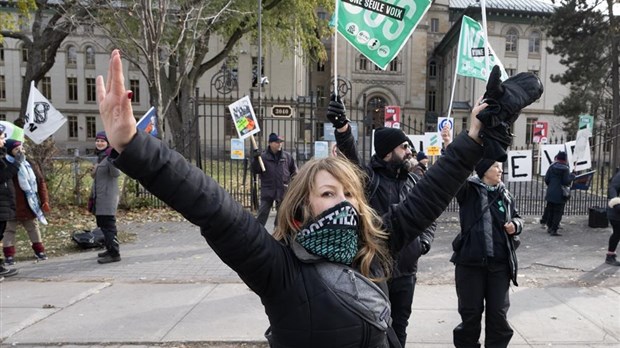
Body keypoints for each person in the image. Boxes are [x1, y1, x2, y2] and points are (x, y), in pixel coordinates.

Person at [96, 49, 498, 348]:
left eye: (348, 194)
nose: (344, 202)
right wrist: (134, 146)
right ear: (302, 210)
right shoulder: (277, 268)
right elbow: (212, 207)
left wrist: (475, 135)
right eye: (328, 193)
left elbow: (428, 196)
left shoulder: (374, 248)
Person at [328, 102, 435, 346]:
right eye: (404, 146)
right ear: (387, 153)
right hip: (375, 272)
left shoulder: (413, 181)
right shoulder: (370, 179)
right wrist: (343, 130)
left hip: (407, 271)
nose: (410, 151)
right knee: (376, 329)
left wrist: (424, 243)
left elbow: (429, 215)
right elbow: (351, 161)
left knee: (400, 327)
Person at [450, 159, 523, 348]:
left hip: (499, 265)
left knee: (498, 314)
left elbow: (517, 216)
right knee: (470, 314)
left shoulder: (505, 194)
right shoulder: (468, 190)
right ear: (484, 171)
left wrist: (515, 225)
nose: (500, 170)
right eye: (496, 167)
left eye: (500, 166)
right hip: (470, 264)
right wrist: (450, 145)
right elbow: (456, 171)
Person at [2, 139, 50, 265]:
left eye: (21, 149)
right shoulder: (5, 164)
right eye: (16, 149)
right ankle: (9, 255)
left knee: (33, 227)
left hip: (29, 203)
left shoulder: (30, 164)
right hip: (11, 204)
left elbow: (40, 182)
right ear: (9, 151)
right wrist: (16, 164)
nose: (20, 152)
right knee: (9, 230)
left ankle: (40, 251)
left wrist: (44, 200)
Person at [251, 132, 297, 226]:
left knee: (281, 216)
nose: (279, 144)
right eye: (277, 142)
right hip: (268, 190)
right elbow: (255, 170)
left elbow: (295, 172)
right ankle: (258, 232)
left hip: (283, 190)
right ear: (270, 143)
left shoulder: (287, 157)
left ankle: (278, 234)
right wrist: (255, 159)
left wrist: (292, 184)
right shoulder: (263, 157)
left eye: (280, 142)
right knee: (262, 214)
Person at [90, 131, 121, 264]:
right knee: (102, 224)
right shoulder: (100, 157)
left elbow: (115, 174)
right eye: (97, 141)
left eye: (102, 141)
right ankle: (109, 248)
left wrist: (112, 159)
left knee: (109, 225)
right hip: (99, 196)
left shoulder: (109, 156)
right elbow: (98, 177)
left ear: (108, 143)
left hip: (108, 197)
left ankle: (114, 253)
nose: (99, 143)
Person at [0, 130, 20, 278]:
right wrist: (16, 164)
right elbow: (3, 176)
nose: (3, 141)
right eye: (1, 138)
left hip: (4, 202)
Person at [544, 151, 575, 236]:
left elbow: (546, 179)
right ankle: (554, 229)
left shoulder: (551, 167)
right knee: (558, 212)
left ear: (557, 158)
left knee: (550, 210)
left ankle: (549, 227)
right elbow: (566, 182)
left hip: (550, 192)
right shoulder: (565, 169)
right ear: (565, 159)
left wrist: (551, 186)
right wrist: (572, 176)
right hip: (560, 194)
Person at [605, 170, 620, 266]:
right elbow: (612, 188)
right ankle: (610, 256)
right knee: (618, 232)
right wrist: (616, 203)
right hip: (616, 211)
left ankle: (611, 255)